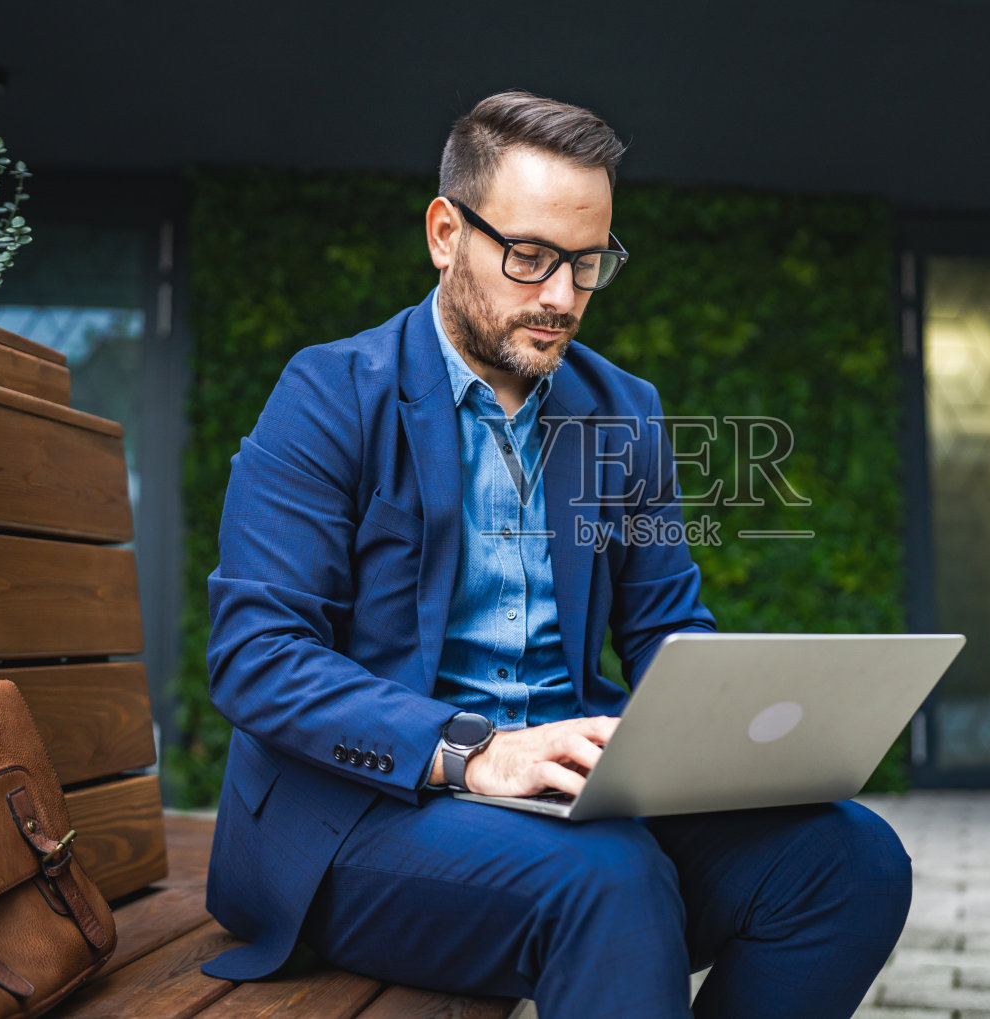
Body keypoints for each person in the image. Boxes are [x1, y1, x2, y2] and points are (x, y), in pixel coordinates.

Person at [200, 91, 912, 1019]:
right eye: (530, 257)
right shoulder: (329, 395)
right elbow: (258, 657)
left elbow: (665, 624)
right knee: (609, 880)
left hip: (569, 795)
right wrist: (474, 751)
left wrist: (720, 735)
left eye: (588, 263)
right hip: (359, 814)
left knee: (851, 861)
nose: (562, 298)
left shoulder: (624, 412)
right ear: (446, 233)